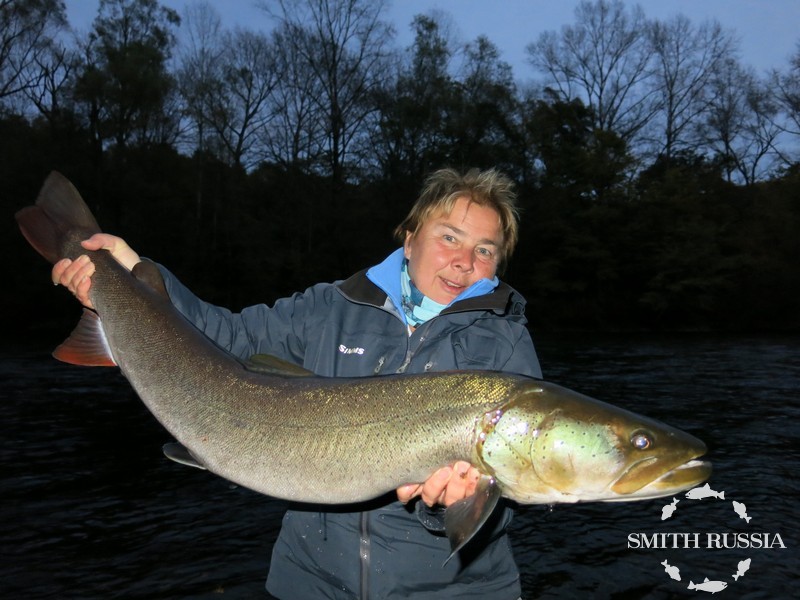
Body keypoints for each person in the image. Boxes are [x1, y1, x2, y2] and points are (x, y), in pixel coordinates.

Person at [53, 167, 542, 599]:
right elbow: (229, 337)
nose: (464, 260)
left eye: (485, 250)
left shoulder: (507, 345)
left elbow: (512, 496)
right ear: (410, 240)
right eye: (450, 237)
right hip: (310, 583)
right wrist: (133, 274)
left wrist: (452, 508)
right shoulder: (331, 307)